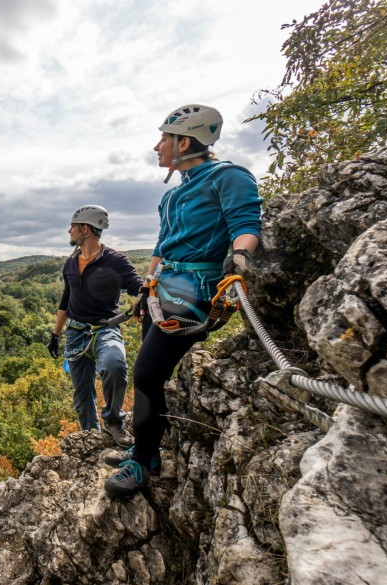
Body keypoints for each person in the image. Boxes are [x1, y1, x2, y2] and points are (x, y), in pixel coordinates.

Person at [104, 104, 262, 498]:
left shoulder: (228, 177)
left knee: (146, 375)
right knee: (150, 374)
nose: (157, 146)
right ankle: (148, 450)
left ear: (185, 142)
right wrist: (146, 287)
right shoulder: (173, 195)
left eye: (164, 138)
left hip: (196, 291)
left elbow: (245, 224)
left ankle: (142, 463)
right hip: (163, 290)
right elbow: (162, 245)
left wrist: (240, 257)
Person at [47, 205, 145, 447]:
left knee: (114, 365)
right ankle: (92, 438)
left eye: (72, 226)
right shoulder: (70, 264)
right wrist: (55, 335)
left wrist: (145, 299)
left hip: (105, 329)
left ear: (85, 228)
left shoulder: (115, 261)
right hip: (75, 333)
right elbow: (66, 301)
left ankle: (113, 421)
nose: (69, 231)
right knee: (83, 397)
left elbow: (137, 286)